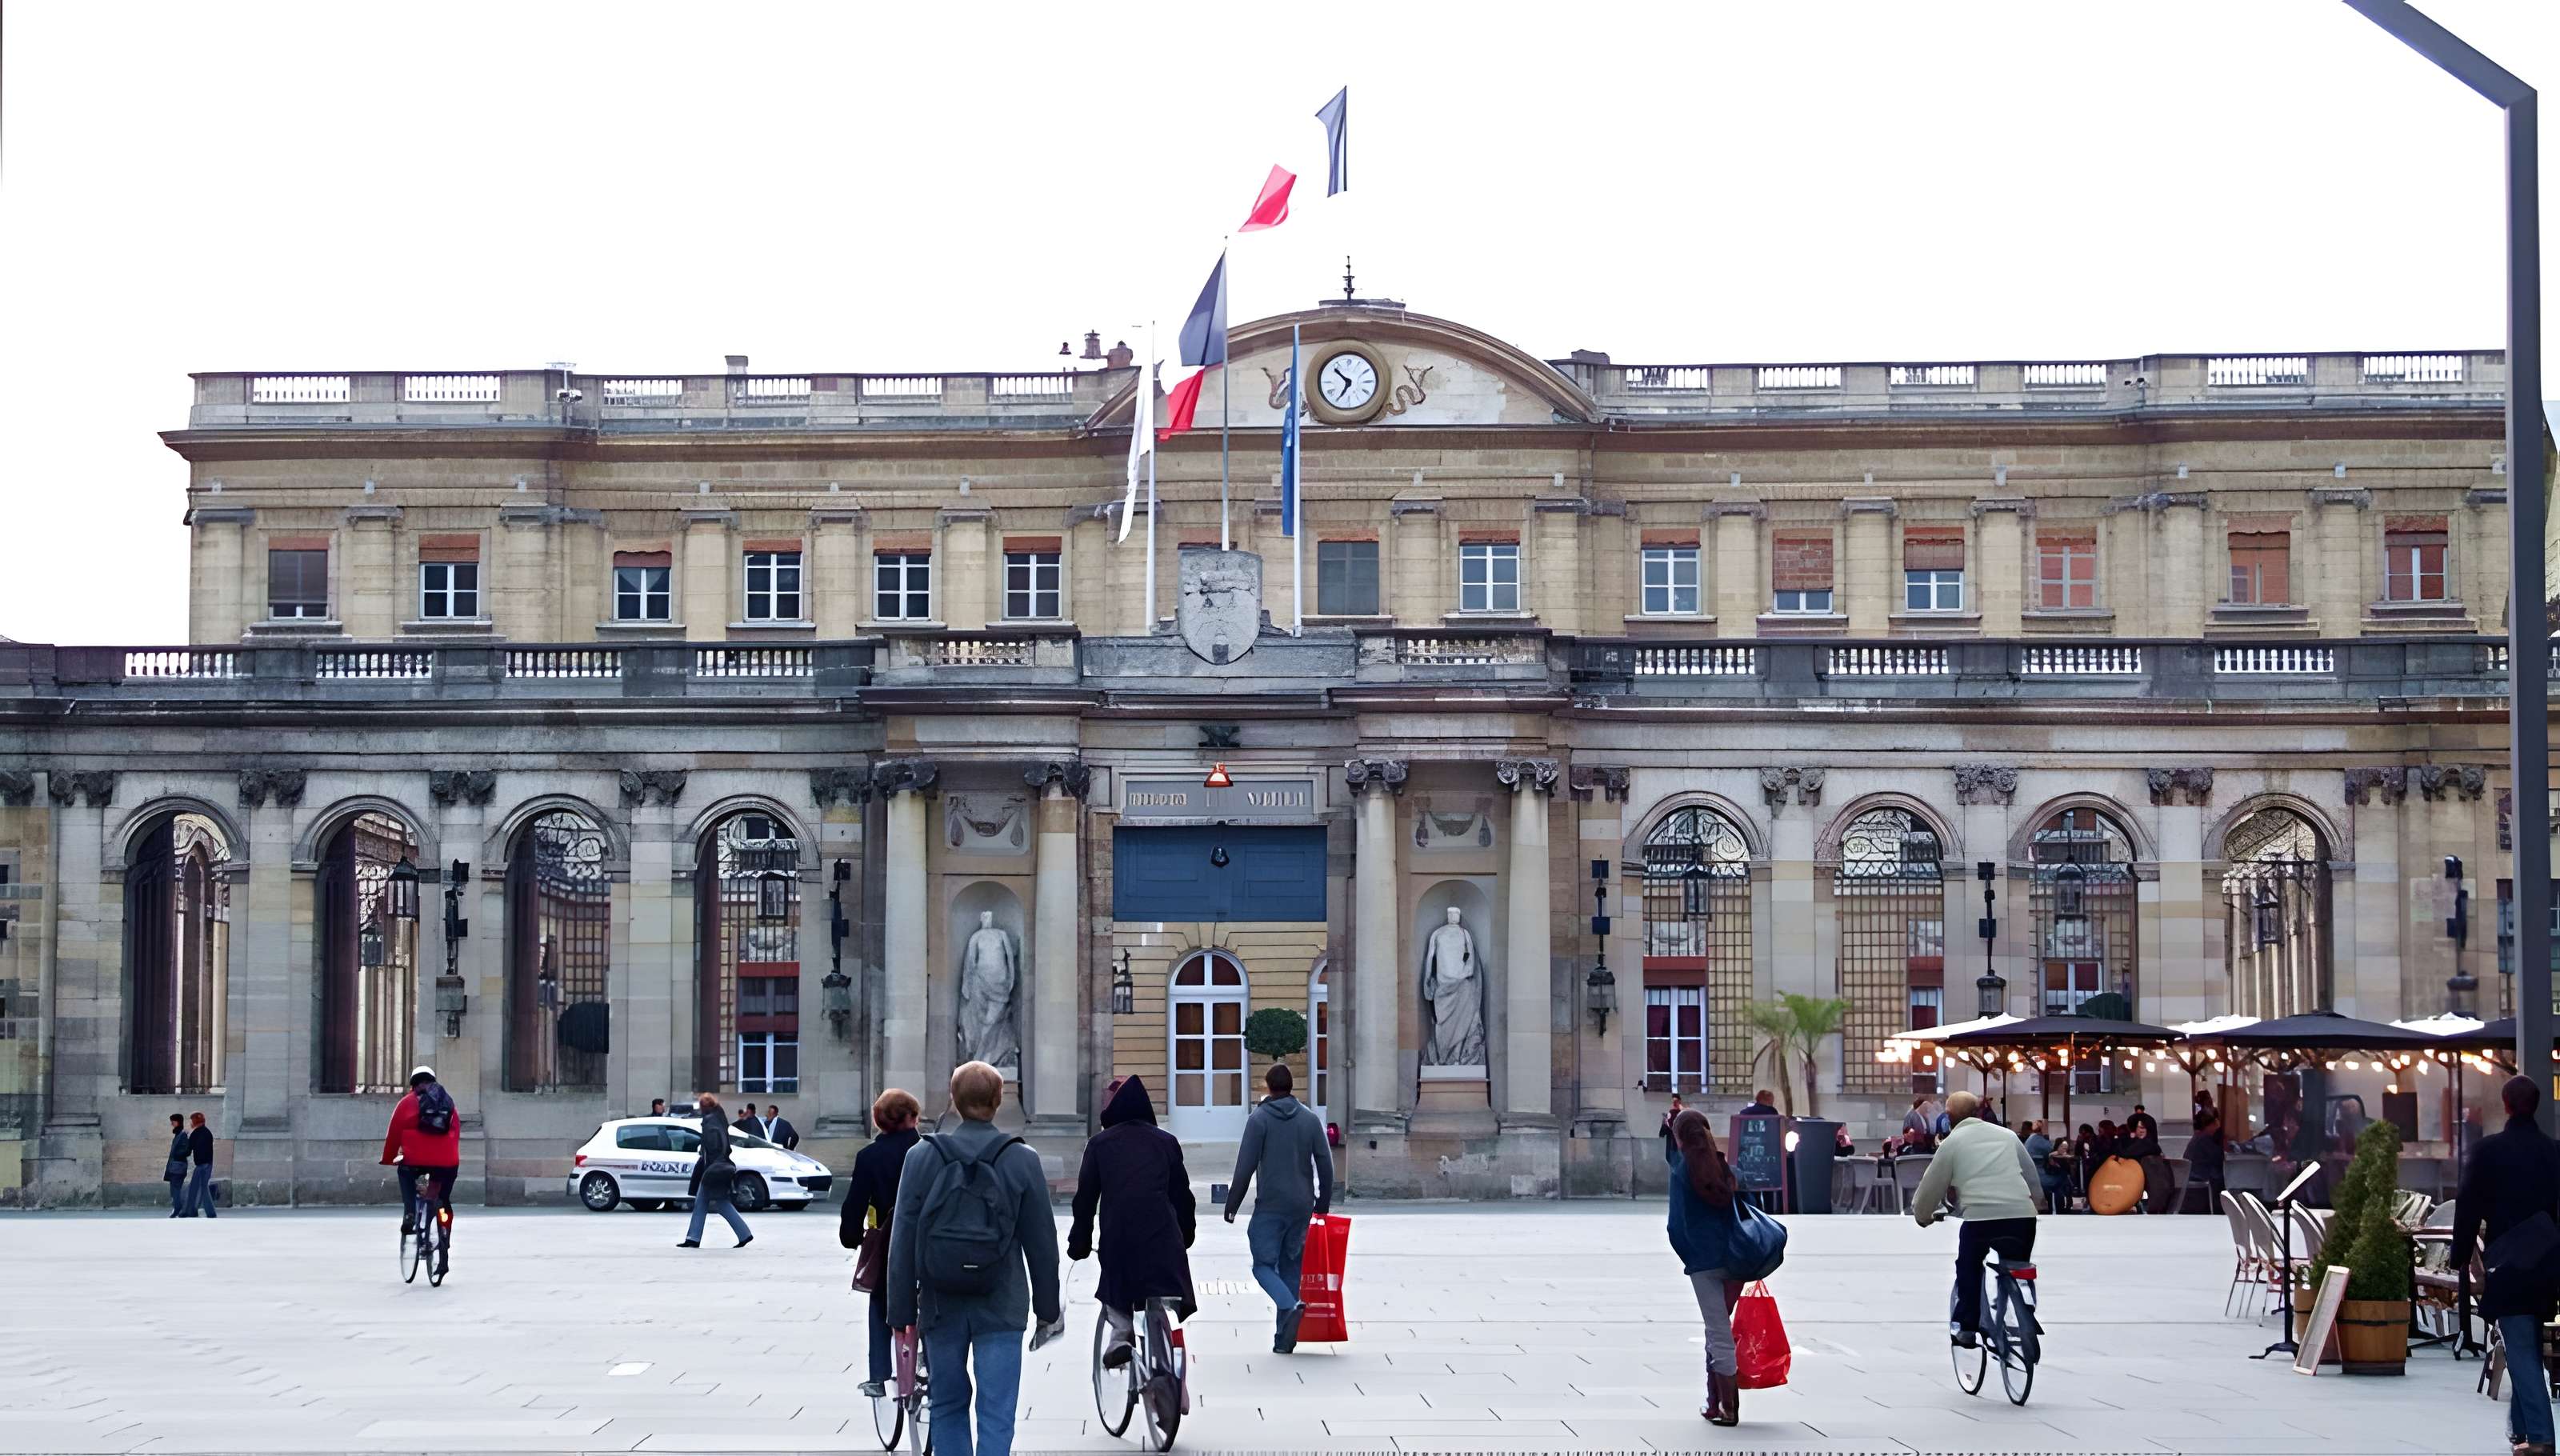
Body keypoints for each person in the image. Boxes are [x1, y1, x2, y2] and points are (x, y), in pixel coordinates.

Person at [888, 1061, 1062, 1456]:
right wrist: (1048, 1309)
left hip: (939, 1303)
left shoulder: (921, 1156)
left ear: (954, 1099)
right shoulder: (1022, 1159)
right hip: (1002, 1301)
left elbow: (903, 1239)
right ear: (998, 1101)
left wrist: (900, 1313)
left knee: (947, 1405)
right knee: (997, 1411)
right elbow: (1042, 1243)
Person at [2453, 1075, 2560, 1456]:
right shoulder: (2554, 1151)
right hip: (2547, 1263)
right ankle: (2522, 1431)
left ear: (2507, 1104)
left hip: (2509, 1263)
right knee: (2524, 1343)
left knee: (2519, 1347)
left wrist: (2461, 1256)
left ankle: (2542, 1438)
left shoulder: (2489, 1151)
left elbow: (2467, 1207)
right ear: (2537, 1104)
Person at [1068, 1076, 1198, 1372]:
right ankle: (1169, 1371)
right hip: (1163, 1237)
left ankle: (1121, 1334)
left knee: (1116, 1290)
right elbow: (1182, 1195)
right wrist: (1186, 1235)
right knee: (1163, 1287)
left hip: (1120, 1237)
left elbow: (1085, 1200)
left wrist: (1080, 1244)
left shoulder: (1099, 1145)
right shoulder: (1166, 1142)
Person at [1912, 1090, 2042, 1347]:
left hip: (1981, 1219)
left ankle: (1968, 1327)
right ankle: (2025, 1308)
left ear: (1949, 1118)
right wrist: (2034, 1204)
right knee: (2017, 1264)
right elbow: (2032, 1178)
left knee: (1969, 1267)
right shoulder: (2008, 1136)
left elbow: (1931, 1187)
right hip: (2022, 1218)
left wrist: (1923, 1215)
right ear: (1979, 1112)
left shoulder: (1951, 1143)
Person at [1224, 1063, 1336, 1354]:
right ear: (1291, 1086)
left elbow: (1245, 1166)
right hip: (1301, 1205)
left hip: (1271, 1203)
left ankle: (1289, 1305)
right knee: (1290, 1266)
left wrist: (1232, 1204)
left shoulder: (1259, 1119)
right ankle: (1284, 1340)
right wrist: (1323, 1200)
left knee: (1263, 1265)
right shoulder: (1310, 1120)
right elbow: (1325, 1162)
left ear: (1268, 1086)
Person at [1664, 1109, 1749, 1426]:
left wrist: (1690, 1257)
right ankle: (1716, 1403)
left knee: (1716, 1331)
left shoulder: (1683, 1171)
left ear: (1680, 1137)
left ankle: (1727, 1406)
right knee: (1719, 1328)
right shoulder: (1726, 1168)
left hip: (1703, 1262)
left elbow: (1676, 1227)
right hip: (1737, 1259)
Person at [843, 1088, 921, 1399]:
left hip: (888, 1241)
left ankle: (878, 1374)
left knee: (880, 1298)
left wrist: (851, 1236)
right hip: (927, 1239)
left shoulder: (869, 1157)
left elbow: (855, 1204)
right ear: (911, 1118)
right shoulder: (929, 1150)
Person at [379, 1067, 459, 1234]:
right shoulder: (448, 1102)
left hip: (415, 1160)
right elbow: (456, 1133)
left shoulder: (407, 1102)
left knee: (405, 1173)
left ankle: (410, 1213)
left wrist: (389, 1158)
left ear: (413, 1085)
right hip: (447, 1162)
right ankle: (444, 1243)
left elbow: (394, 1135)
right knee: (443, 1199)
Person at [682, 1091, 754, 1250]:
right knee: (708, 1202)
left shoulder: (710, 1121)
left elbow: (714, 1147)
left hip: (713, 1169)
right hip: (717, 1167)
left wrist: (709, 1163)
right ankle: (694, 1238)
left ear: (703, 1107)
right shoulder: (719, 1118)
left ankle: (694, 1238)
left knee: (716, 1202)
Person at [2122, 1103, 2170, 1214]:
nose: (2140, 1131)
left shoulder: (2146, 1147)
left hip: (2151, 1197)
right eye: (2138, 1128)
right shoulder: (2148, 1146)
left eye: (2143, 1128)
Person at [2182, 1112, 2226, 1214]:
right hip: (2201, 1175)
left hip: (2194, 1173)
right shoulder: (2204, 1139)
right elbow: (2218, 1157)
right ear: (2209, 1125)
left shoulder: (2198, 1138)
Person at [182, 1111, 218, 1218]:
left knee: (201, 1189)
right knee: (196, 1188)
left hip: (201, 1165)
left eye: (191, 1121)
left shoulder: (195, 1134)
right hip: (208, 1164)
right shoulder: (208, 1132)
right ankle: (191, 1211)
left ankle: (210, 1213)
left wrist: (185, 1138)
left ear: (194, 1121)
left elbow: (188, 1151)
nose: (190, 1123)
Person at [2021, 1122, 2057, 1213]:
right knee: (2061, 1178)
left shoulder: (2030, 1139)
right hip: (2039, 1174)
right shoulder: (2039, 1140)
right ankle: (2059, 1209)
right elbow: (2050, 1149)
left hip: (2028, 1174)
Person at [164, 1114, 190, 1218]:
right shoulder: (178, 1134)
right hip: (175, 1166)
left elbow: (187, 1151)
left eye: (173, 1121)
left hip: (178, 1166)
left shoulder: (183, 1135)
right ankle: (179, 1208)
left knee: (175, 1189)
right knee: (174, 1189)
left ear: (178, 1122)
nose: (172, 1124)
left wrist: (177, 1155)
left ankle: (178, 1208)